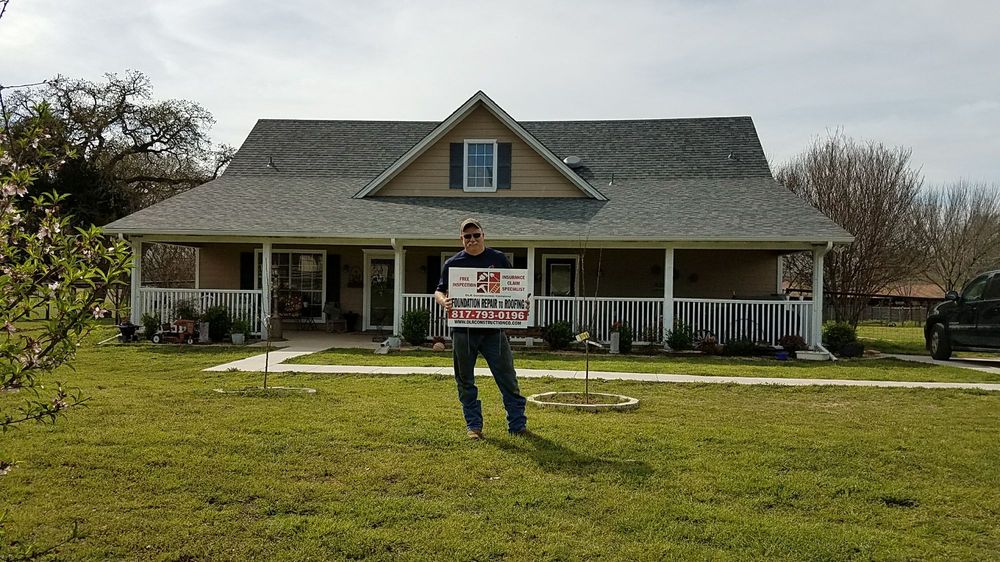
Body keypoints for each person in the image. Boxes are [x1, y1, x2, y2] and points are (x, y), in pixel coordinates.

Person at [434, 218, 528, 439]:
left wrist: (522, 302)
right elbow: (439, 290)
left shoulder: (498, 259)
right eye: (467, 236)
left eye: (476, 235)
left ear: (483, 235)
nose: (472, 239)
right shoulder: (452, 264)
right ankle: (473, 426)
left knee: (507, 378)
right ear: (461, 239)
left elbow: (513, 288)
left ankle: (517, 425)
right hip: (463, 331)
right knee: (465, 379)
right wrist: (443, 301)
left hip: (493, 331)